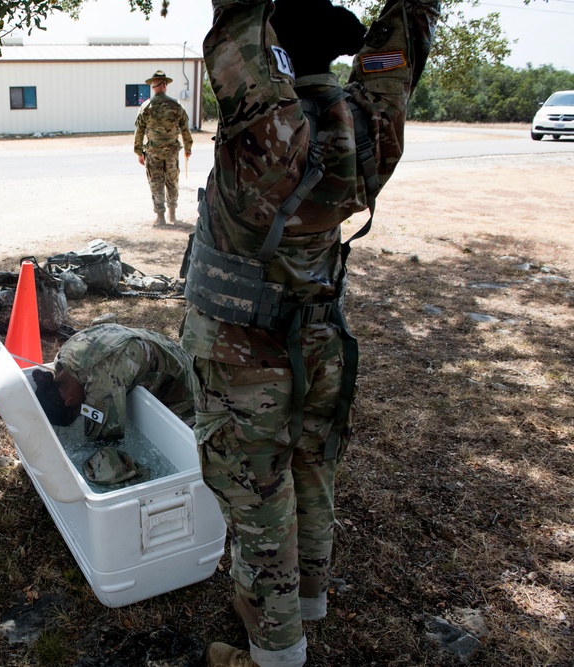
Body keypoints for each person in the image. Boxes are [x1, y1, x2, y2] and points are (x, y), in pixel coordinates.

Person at [180, 1, 441, 666]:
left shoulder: (263, 137)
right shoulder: (367, 123)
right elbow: (396, 58)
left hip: (249, 360)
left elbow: (238, 29)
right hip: (321, 341)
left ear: (272, 53)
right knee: (312, 470)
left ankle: (276, 650)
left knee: (259, 499)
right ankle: (310, 598)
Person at [32, 323, 198, 441]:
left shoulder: (103, 385)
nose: (84, 409)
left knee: (181, 435)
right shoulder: (64, 356)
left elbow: (107, 436)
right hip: (166, 345)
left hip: (188, 379)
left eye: (79, 411)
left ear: (69, 401)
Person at [133, 70, 193, 226]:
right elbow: (185, 129)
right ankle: (172, 215)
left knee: (156, 183)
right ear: (165, 85)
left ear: (153, 87)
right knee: (172, 182)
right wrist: (188, 148)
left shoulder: (146, 107)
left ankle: (160, 217)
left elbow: (139, 131)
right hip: (172, 152)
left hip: (153, 153)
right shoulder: (176, 105)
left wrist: (139, 152)